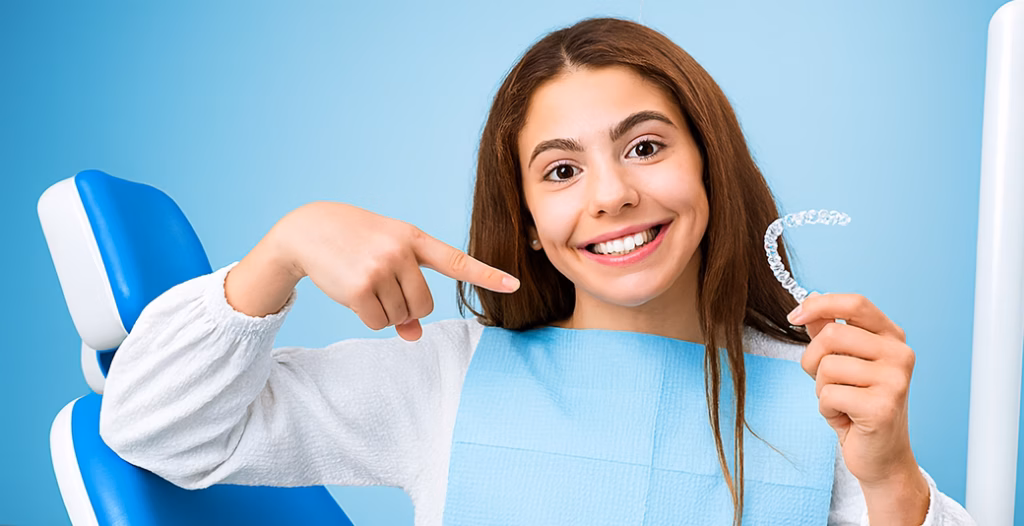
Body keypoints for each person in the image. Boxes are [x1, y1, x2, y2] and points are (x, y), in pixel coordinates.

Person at [99, 17, 975, 526]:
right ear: (527, 222)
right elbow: (153, 429)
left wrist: (894, 479)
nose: (612, 194)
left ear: (710, 166)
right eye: (561, 170)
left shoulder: (822, 401)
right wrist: (281, 252)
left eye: (645, 146)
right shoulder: (443, 380)